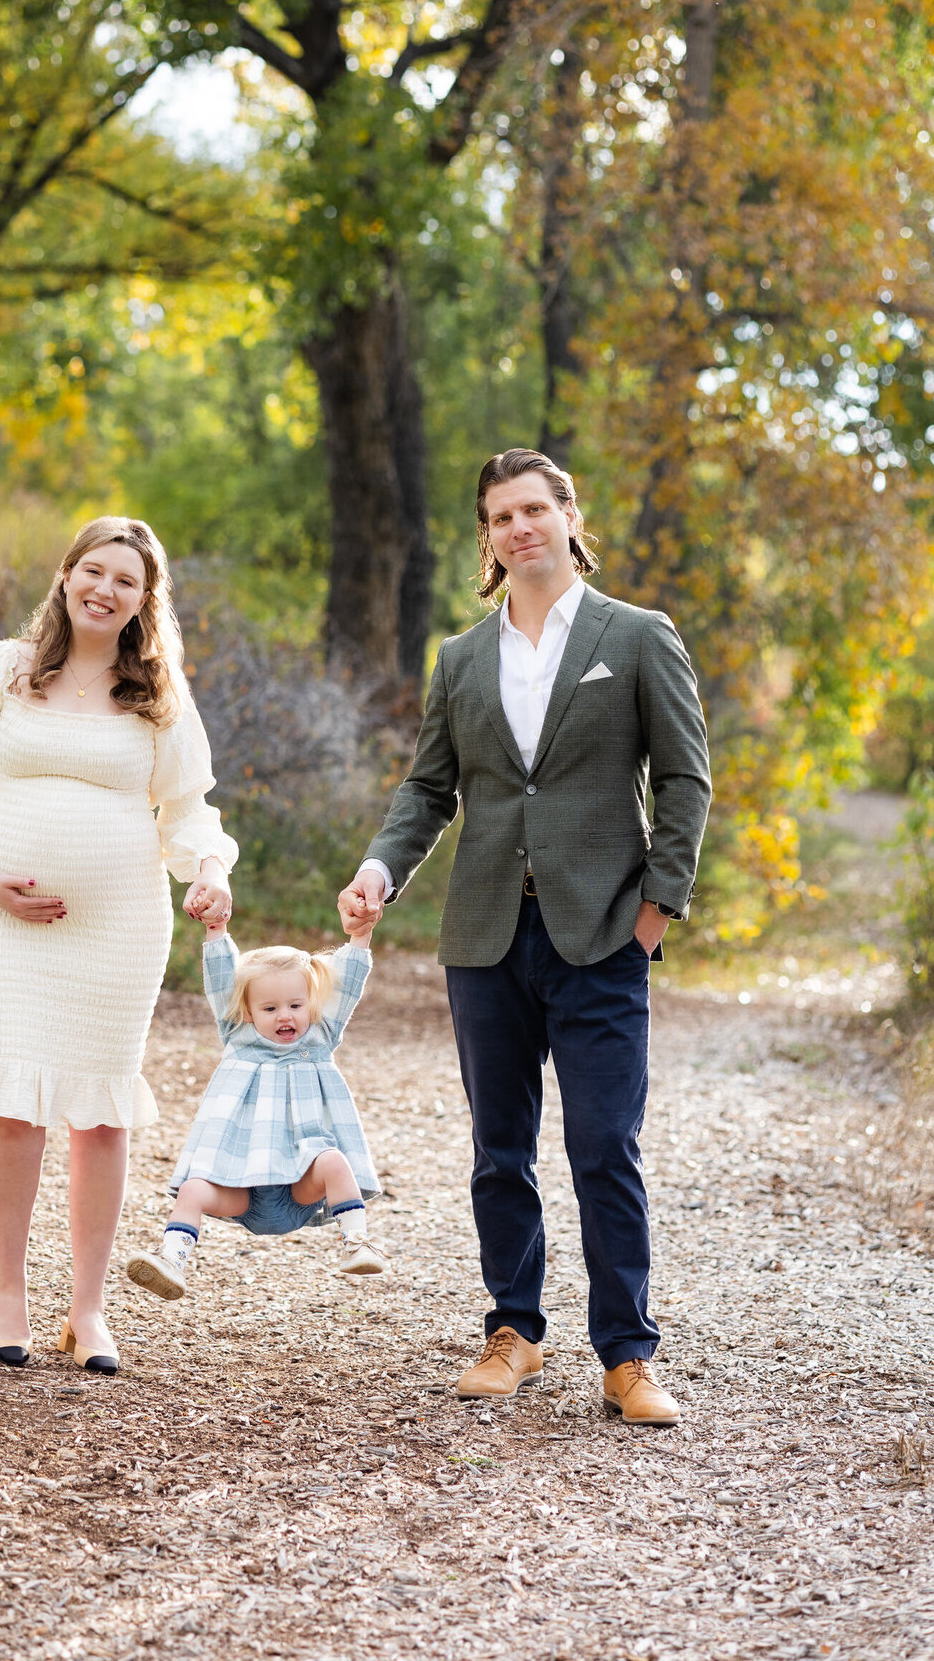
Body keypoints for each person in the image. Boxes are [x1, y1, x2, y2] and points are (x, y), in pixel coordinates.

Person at [338, 448, 711, 1426]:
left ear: (568, 516)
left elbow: (685, 780)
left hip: (604, 934)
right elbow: (429, 788)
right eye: (501, 516)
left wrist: (655, 913)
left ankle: (628, 1355)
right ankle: (514, 1331)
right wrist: (380, 869)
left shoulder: (638, 636)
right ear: (488, 535)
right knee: (499, 1149)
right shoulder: (462, 658)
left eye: (533, 510)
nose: (519, 529)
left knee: (603, 1145)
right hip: (486, 937)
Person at [0, 515, 237, 1376]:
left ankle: (88, 1309)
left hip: (120, 927)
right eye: (93, 571)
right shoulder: (5, 668)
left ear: (144, 601)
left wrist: (210, 869)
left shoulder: (158, 693)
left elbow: (189, 809)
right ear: (66, 576)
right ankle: (9, 1293)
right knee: (14, 1101)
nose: (105, 589)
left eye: (126, 580)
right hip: (4, 924)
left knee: (101, 1114)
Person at [125, 915, 386, 1298]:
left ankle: (357, 1242)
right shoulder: (238, 1036)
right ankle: (171, 1259)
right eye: (270, 1008)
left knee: (333, 1161)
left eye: (295, 1005)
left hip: (300, 1186)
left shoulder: (319, 1037)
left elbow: (346, 985)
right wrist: (216, 931)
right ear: (247, 1012)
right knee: (193, 1188)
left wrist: (360, 936)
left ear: (311, 1004)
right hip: (240, 1188)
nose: (285, 1015)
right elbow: (220, 981)